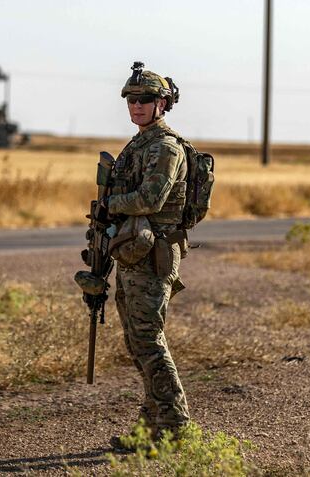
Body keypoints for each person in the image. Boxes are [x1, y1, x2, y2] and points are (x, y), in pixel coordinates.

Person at [106, 62, 190, 446]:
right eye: (131, 99)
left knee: (149, 340)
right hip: (133, 253)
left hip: (154, 253)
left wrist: (113, 203)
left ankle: (173, 427)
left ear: (163, 103)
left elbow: (151, 199)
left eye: (145, 99)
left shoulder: (165, 147)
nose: (136, 105)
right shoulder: (139, 144)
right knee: (136, 342)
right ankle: (150, 427)